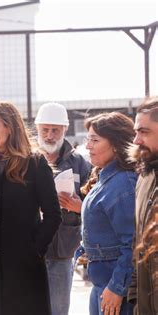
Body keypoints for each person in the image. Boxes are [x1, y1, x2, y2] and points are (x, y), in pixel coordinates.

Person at [0, 100, 62, 315]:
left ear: (9, 127)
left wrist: (35, 250)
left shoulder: (35, 164)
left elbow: (53, 215)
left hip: (25, 270)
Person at [35, 102, 91, 315]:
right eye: (45, 130)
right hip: (29, 248)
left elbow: (93, 202)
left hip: (62, 248)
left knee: (57, 310)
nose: (49, 135)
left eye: (55, 130)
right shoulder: (23, 161)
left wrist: (80, 206)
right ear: (37, 129)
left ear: (65, 130)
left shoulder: (80, 165)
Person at [78, 112, 137, 315]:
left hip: (114, 289)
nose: (88, 146)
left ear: (116, 144)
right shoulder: (106, 178)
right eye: (88, 139)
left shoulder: (123, 184)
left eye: (95, 139)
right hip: (103, 286)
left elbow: (132, 244)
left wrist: (116, 288)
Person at [128, 96, 158, 314]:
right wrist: (135, 297)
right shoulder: (144, 178)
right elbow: (137, 243)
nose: (136, 140)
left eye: (144, 132)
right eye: (136, 131)